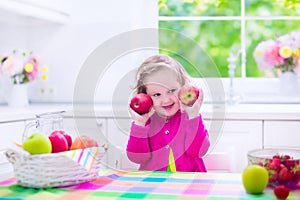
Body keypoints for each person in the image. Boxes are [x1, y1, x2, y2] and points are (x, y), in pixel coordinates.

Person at [126, 54, 210, 172]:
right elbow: (137, 157)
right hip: (153, 185)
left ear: (183, 88)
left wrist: (194, 115)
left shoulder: (189, 117)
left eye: (171, 91)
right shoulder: (146, 122)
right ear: (145, 96)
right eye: (157, 95)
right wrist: (140, 124)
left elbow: (199, 151)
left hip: (190, 184)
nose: (166, 100)